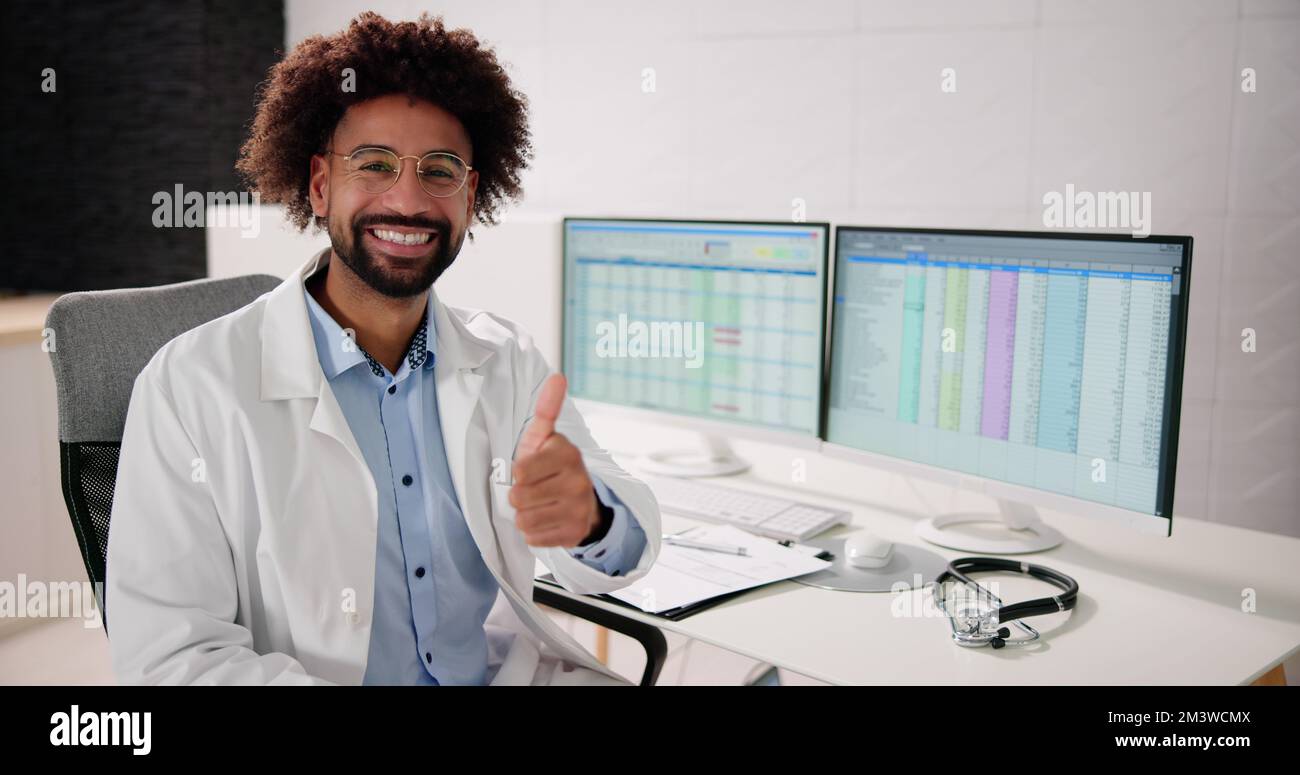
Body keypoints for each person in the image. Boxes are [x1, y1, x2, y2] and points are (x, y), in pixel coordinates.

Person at [105, 12, 660, 685]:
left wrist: (590, 515)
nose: (407, 198)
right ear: (319, 184)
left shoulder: (505, 360)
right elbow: (170, 659)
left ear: (471, 195)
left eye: (440, 170)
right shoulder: (190, 386)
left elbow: (624, 546)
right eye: (373, 164)